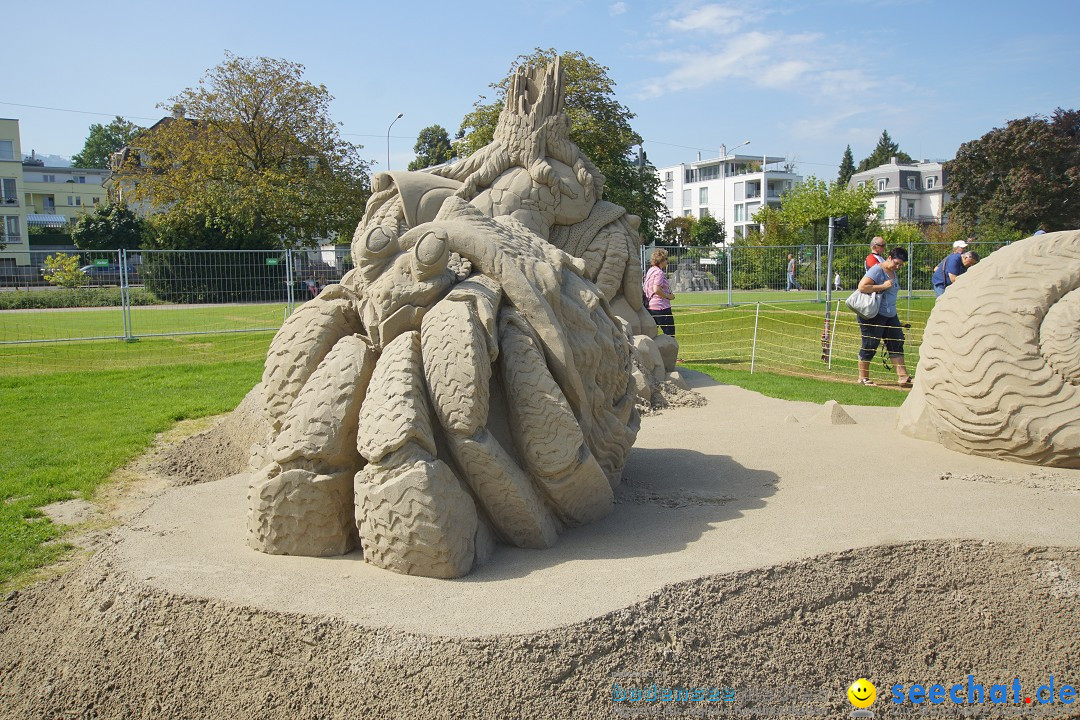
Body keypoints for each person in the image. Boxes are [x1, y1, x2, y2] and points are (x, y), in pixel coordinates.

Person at [855, 246, 912, 388]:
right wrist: (883, 286)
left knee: (896, 341)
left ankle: (903, 377)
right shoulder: (877, 270)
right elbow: (862, 287)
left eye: (901, 265)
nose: (898, 267)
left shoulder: (892, 272)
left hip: (890, 314)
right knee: (870, 344)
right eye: (896, 263)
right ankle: (863, 378)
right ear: (889, 258)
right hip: (874, 314)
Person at [644, 248, 675, 336]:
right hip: (661, 308)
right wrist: (669, 296)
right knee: (670, 336)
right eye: (666, 259)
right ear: (661, 260)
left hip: (651, 308)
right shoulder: (659, 273)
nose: (667, 261)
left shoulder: (651, 270)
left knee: (651, 336)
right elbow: (656, 289)